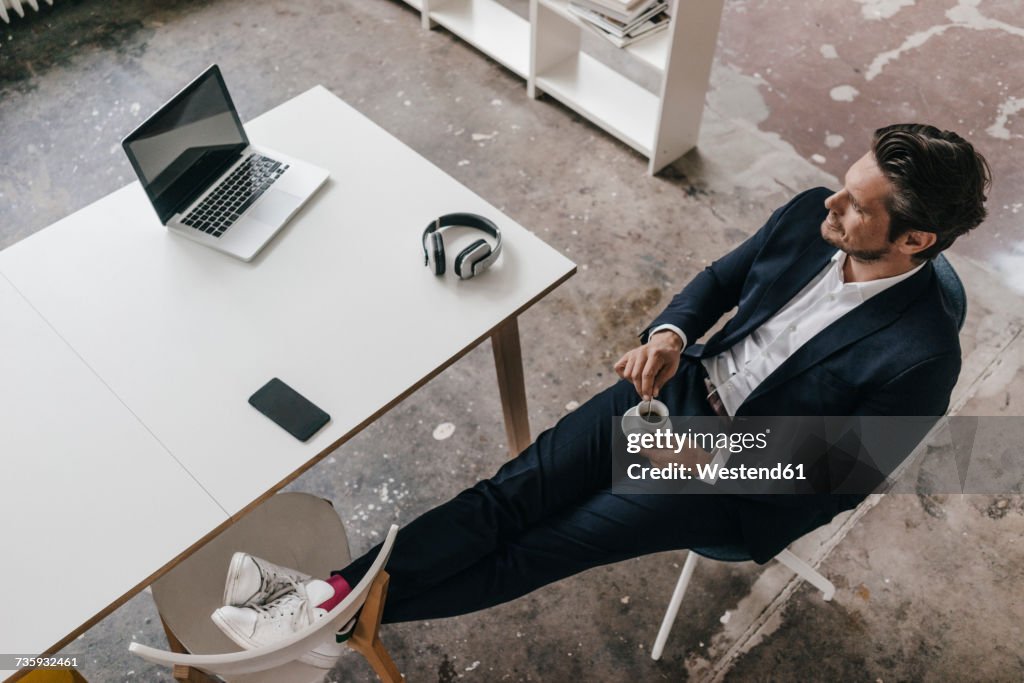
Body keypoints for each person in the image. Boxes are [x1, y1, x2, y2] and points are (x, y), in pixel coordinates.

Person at [208, 123, 991, 648]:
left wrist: (692, 459)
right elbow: (722, 279)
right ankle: (326, 601)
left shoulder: (921, 358)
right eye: (844, 185)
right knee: (507, 495)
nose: (831, 202)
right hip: (680, 387)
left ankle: (317, 617)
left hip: (737, 476)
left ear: (915, 239)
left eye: (857, 207)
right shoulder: (806, 218)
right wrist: (669, 336)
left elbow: (835, 477)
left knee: (539, 544)